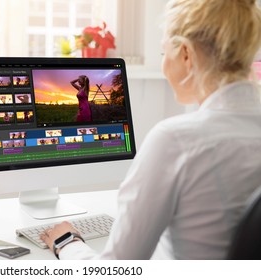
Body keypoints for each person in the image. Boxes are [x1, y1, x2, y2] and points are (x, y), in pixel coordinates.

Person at [41, 0, 261, 259]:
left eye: (163, 53)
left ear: (187, 55)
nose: (164, 65)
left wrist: (67, 242)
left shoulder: (176, 140)